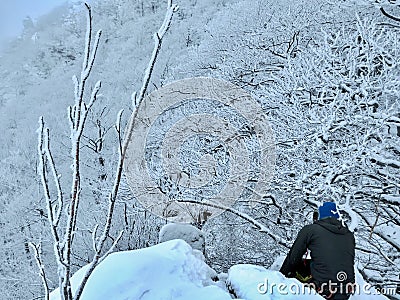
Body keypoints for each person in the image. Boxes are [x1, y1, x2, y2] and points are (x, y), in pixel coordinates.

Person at [280, 201, 355, 299]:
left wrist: (280, 276)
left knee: (298, 267)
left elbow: (293, 258)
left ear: (320, 215)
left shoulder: (311, 230)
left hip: (323, 289)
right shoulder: (349, 235)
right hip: (346, 289)